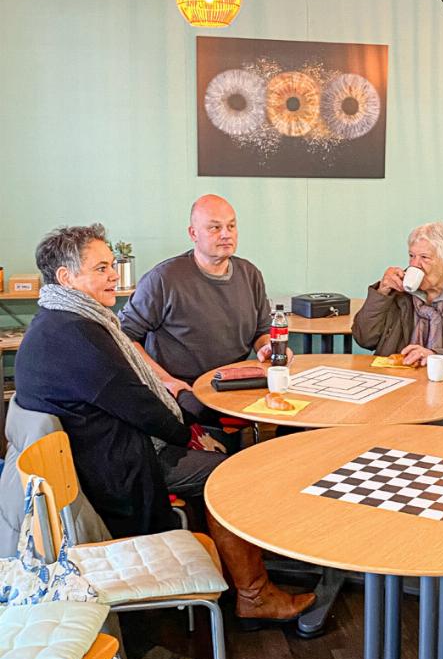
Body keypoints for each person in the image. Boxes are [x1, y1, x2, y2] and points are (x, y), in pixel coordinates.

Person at [13, 224, 314, 624]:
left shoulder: (59, 321)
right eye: (101, 268)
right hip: (114, 466)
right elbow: (140, 406)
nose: (113, 277)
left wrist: (187, 418)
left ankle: (234, 566)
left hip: (102, 448)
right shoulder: (79, 335)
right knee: (231, 475)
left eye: (111, 266)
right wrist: (189, 429)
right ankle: (254, 594)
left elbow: (133, 398)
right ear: (67, 278)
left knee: (221, 445)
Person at [118, 194, 289, 446]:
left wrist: (266, 347)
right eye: (215, 227)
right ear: (193, 233)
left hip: (234, 385)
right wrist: (166, 381)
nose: (226, 234)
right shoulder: (164, 278)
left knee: (292, 420)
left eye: (231, 226)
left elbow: (262, 331)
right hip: (184, 390)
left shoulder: (249, 273)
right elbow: (124, 337)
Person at [351, 222, 443, 423]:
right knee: (359, 419)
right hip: (395, 389)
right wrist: (381, 293)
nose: (415, 265)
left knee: (439, 429)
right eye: (412, 256)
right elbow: (364, 338)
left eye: (424, 258)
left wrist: (435, 356)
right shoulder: (399, 291)